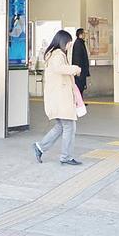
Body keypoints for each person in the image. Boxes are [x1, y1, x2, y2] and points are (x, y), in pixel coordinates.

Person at [32, 30, 83, 166]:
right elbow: (60, 69)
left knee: (61, 126)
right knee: (69, 126)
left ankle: (40, 147)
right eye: (68, 43)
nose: (69, 46)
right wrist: (76, 69)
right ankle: (65, 157)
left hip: (57, 97)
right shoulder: (57, 55)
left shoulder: (53, 54)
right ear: (63, 41)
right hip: (60, 98)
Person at [70, 28, 90, 96]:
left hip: (82, 69)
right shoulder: (78, 43)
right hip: (79, 70)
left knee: (81, 86)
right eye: (84, 33)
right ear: (80, 34)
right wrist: (77, 70)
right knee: (79, 86)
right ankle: (78, 103)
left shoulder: (81, 42)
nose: (85, 35)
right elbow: (77, 58)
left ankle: (80, 102)